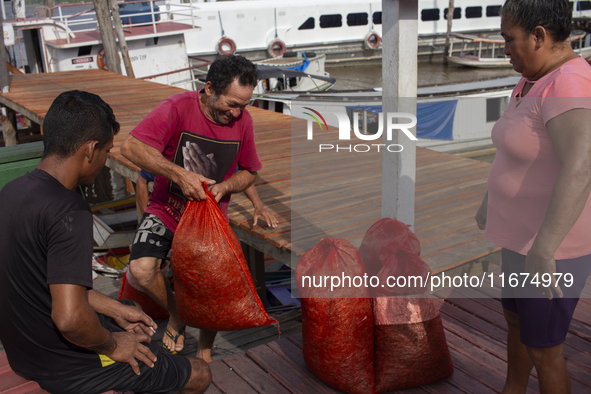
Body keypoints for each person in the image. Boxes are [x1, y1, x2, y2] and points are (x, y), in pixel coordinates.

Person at [0, 90, 211, 394]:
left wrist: (112, 308)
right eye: (106, 151)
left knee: (128, 310)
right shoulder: (69, 211)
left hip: (26, 353)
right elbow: (71, 319)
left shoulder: (11, 193)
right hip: (65, 369)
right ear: (90, 150)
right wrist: (114, 345)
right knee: (200, 373)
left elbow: (43, 283)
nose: (104, 161)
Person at [475, 1, 591, 393]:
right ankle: (513, 389)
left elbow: (582, 165)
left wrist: (544, 249)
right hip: (519, 239)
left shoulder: (569, 83)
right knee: (516, 323)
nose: (504, 48)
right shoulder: (533, 79)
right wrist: (490, 200)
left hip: (548, 247)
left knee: (545, 348)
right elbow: (518, 149)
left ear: (539, 36)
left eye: (509, 39)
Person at [121, 55, 264, 359]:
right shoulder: (176, 108)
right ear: (209, 88)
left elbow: (250, 171)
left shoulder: (243, 122)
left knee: (210, 285)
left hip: (209, 221)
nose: (238, 112)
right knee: (141, 270)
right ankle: (179, 316)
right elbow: (130, 147)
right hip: (166, 210)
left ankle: (205, 349)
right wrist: (178, 174)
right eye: (232, 103)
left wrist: (224, 187)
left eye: (244, 104)